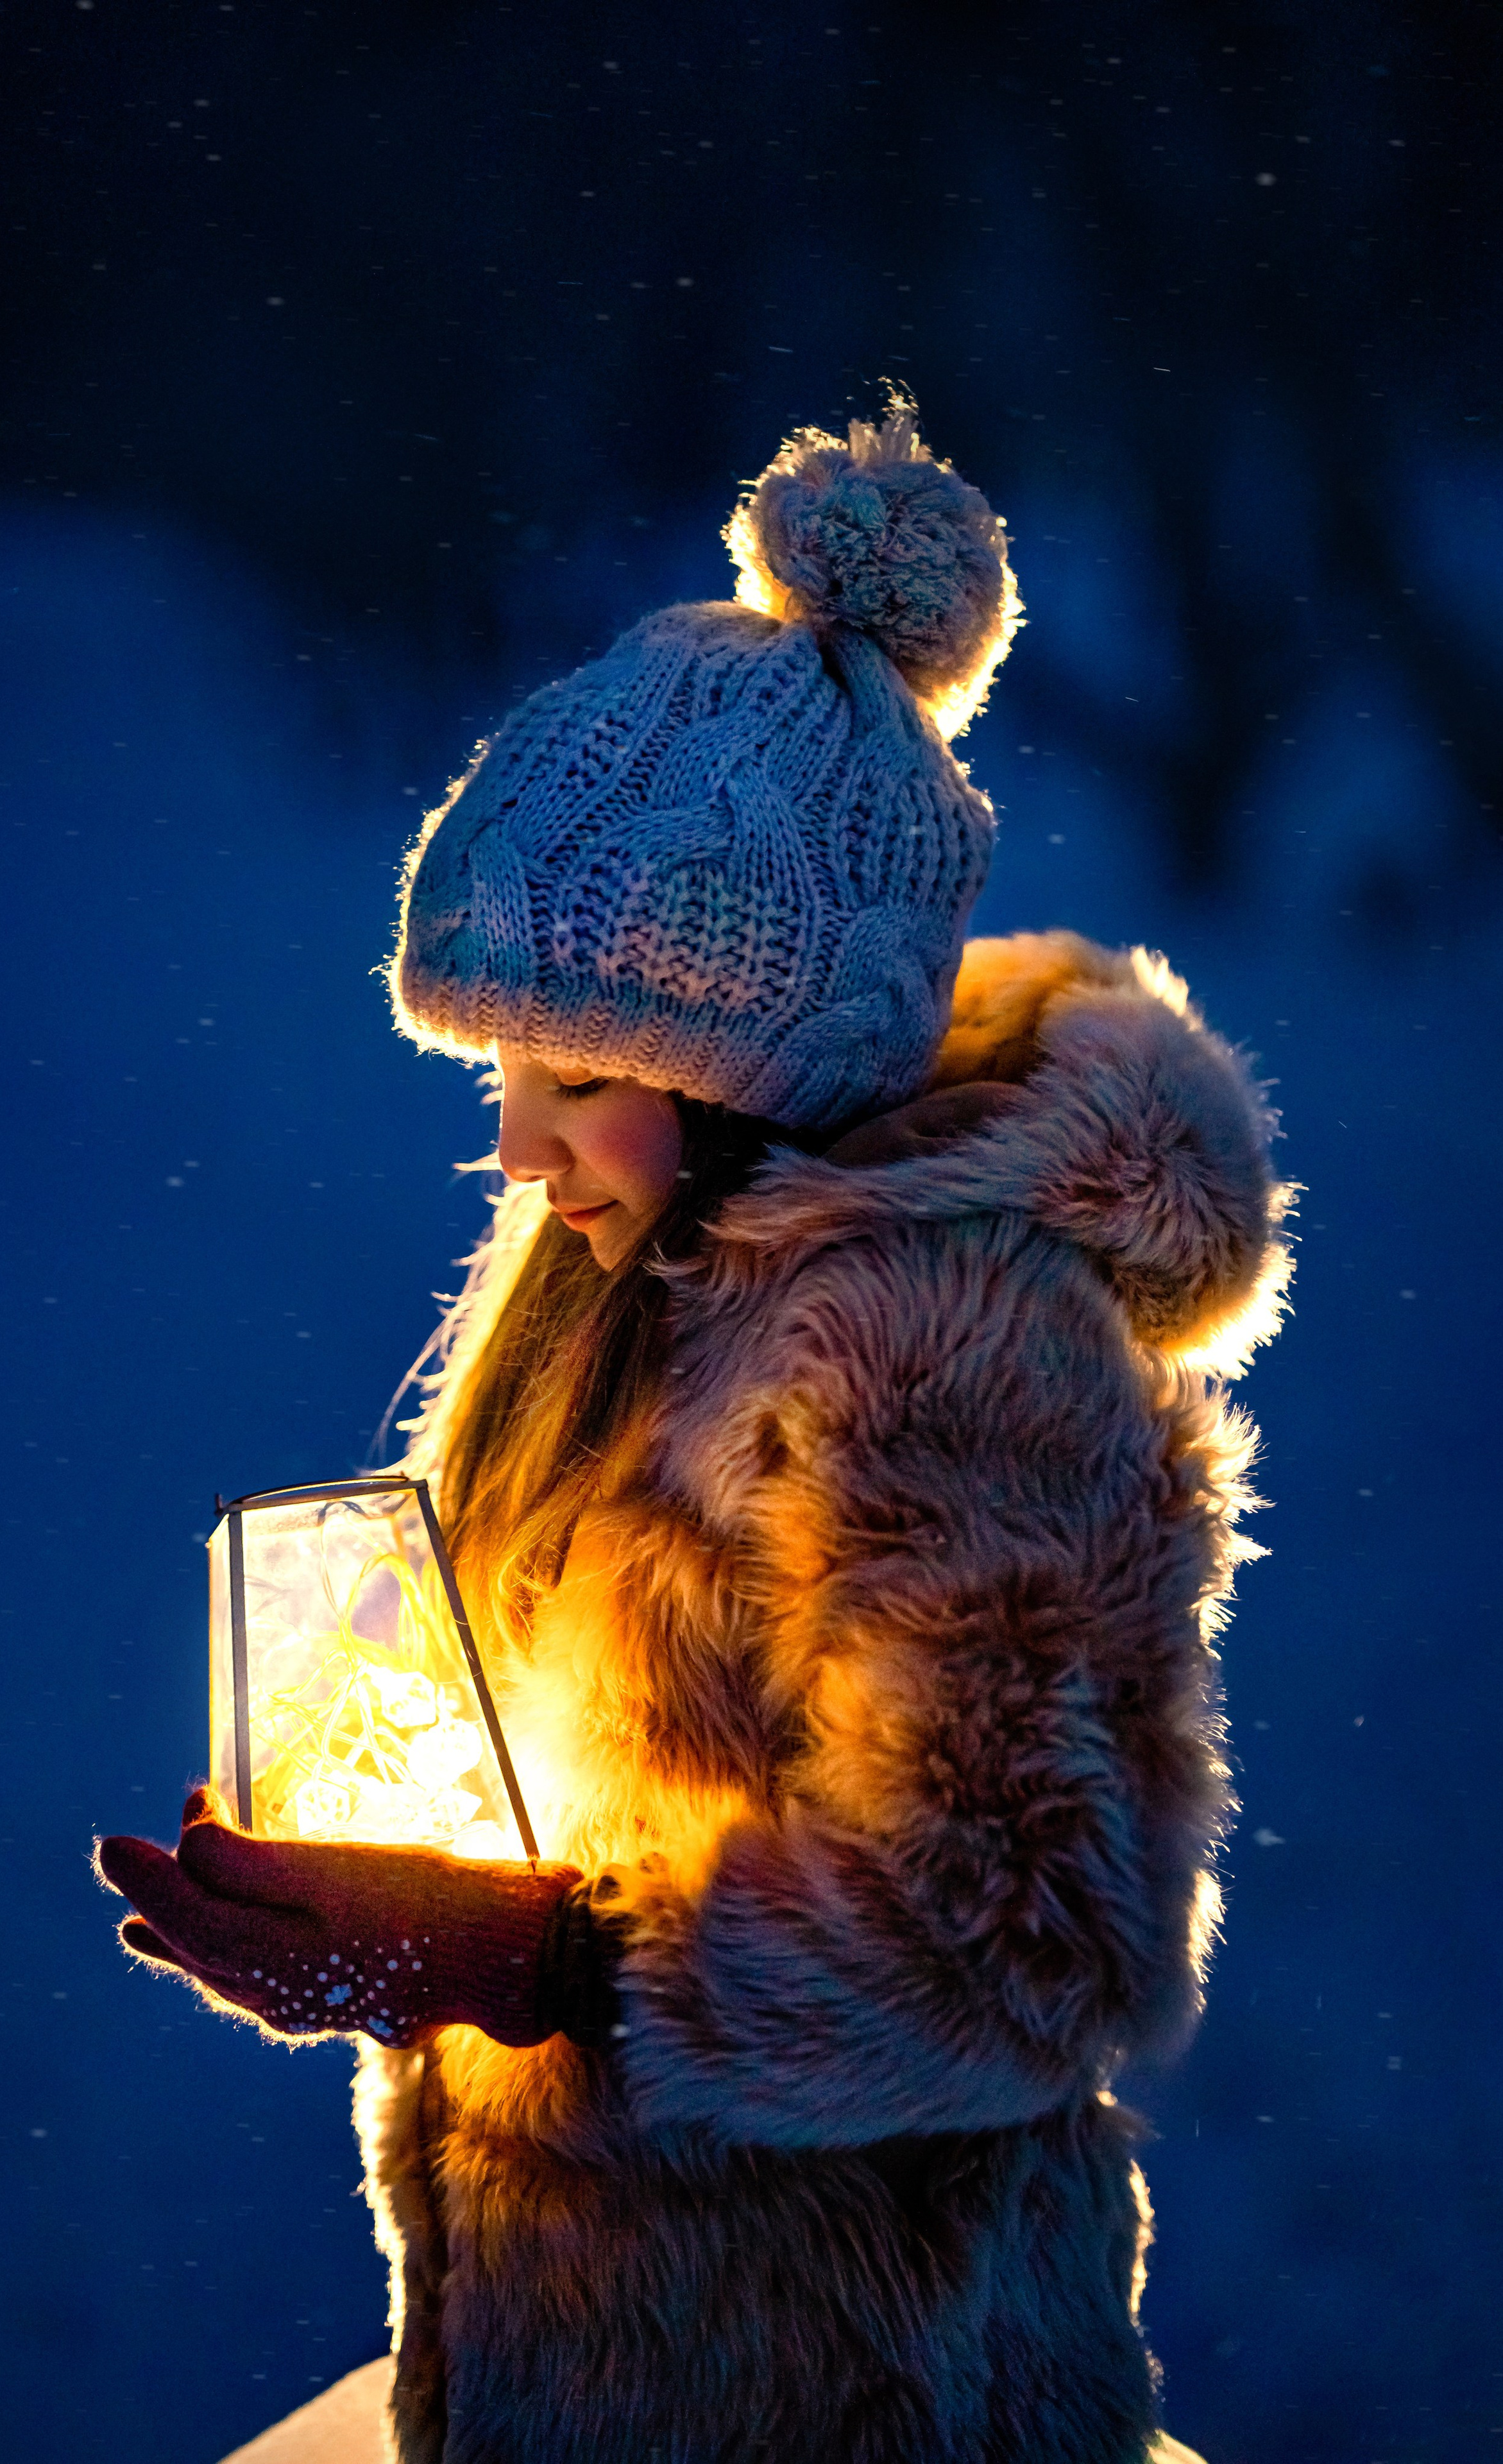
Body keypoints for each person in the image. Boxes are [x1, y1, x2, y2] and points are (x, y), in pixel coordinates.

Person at [98, 402, 1289, 2464]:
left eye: (574, 1068)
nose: (514, 1140)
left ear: (759, 1053)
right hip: (580, 2371)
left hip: (863, 2393)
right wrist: (401, 1857)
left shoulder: (945, 1351)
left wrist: (550, 1964)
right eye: (502, 1065)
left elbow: (1031, 1943)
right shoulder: (619, 1281)